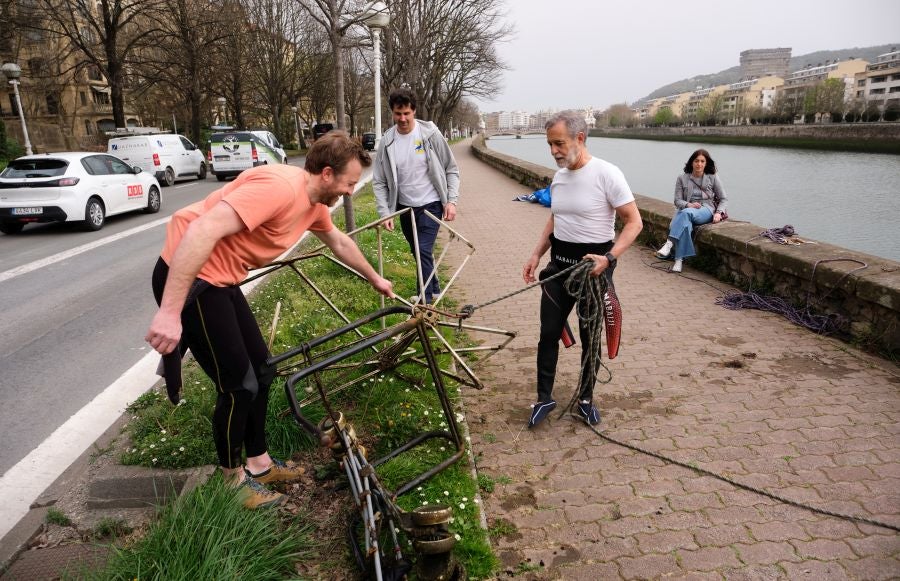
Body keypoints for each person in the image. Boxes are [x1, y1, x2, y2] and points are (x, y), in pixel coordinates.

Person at [145, 131, 394, 509]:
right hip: (191, 277)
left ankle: (259, 464)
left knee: (262, 371)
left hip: (221, 279)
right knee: (238, 386)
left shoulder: (312, 205)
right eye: (348, 183)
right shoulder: (279, 188)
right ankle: (231, 483)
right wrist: (168, 311)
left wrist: (375, 278)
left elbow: (340, 242)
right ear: (327, 174)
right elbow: (202, 229)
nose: (349, 191)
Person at [522, 111, 643, 428]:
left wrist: (609, 258)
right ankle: (544, 397)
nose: (553, 151)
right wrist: (536, 254)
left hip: (592, 271)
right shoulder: (559, 177)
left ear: (579, 138)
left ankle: (586, 399)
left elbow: (634, 222)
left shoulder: (607, 174)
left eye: (558, 143)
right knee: (548, 333)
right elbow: (555, 219)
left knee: (591, 337)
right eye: (550, 144)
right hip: (558, 269)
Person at [373, 87, 460, 304]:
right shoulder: (387, 142)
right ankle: (435, 288)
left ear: (414, 111)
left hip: (430, 204)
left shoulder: (429, 134)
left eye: (407, 113)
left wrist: (451, 201)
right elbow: (380, 181)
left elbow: (451, 168)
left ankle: (426, 301)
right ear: (392, 113)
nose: (402, 119)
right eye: (398, 114)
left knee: (422, 250)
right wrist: (386, 213)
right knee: (418, 251)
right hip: (405, 207)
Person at [656, 149, 728, 272]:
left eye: (702, 161)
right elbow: (677, 201)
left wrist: (718, 213)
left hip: (706, 209)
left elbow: (723, 199)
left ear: (706, 163)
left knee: (682, 216)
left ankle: (669, 244)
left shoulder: (712, 177)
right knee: (685, 225)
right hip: (687, 209)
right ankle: (678, 262)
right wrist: (689, 204)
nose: (699, 164)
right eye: (696, 161)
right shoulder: (682, 178)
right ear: (691, 162)